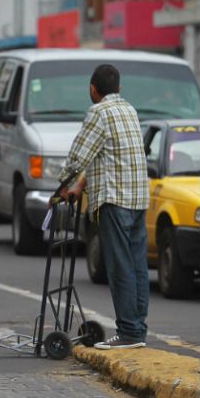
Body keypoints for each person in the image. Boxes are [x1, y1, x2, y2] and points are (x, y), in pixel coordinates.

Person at [56, 64, 150, 350]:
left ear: (92, 89)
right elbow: (106, 157)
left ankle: (129, 332)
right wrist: (79, 187)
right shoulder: (129, 110)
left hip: (115, 200)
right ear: (119, 88)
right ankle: (137, 329)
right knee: (137, 266)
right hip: (138, 200)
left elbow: (79, 155)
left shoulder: (98, 112)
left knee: (120, 266)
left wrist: (60, 185)